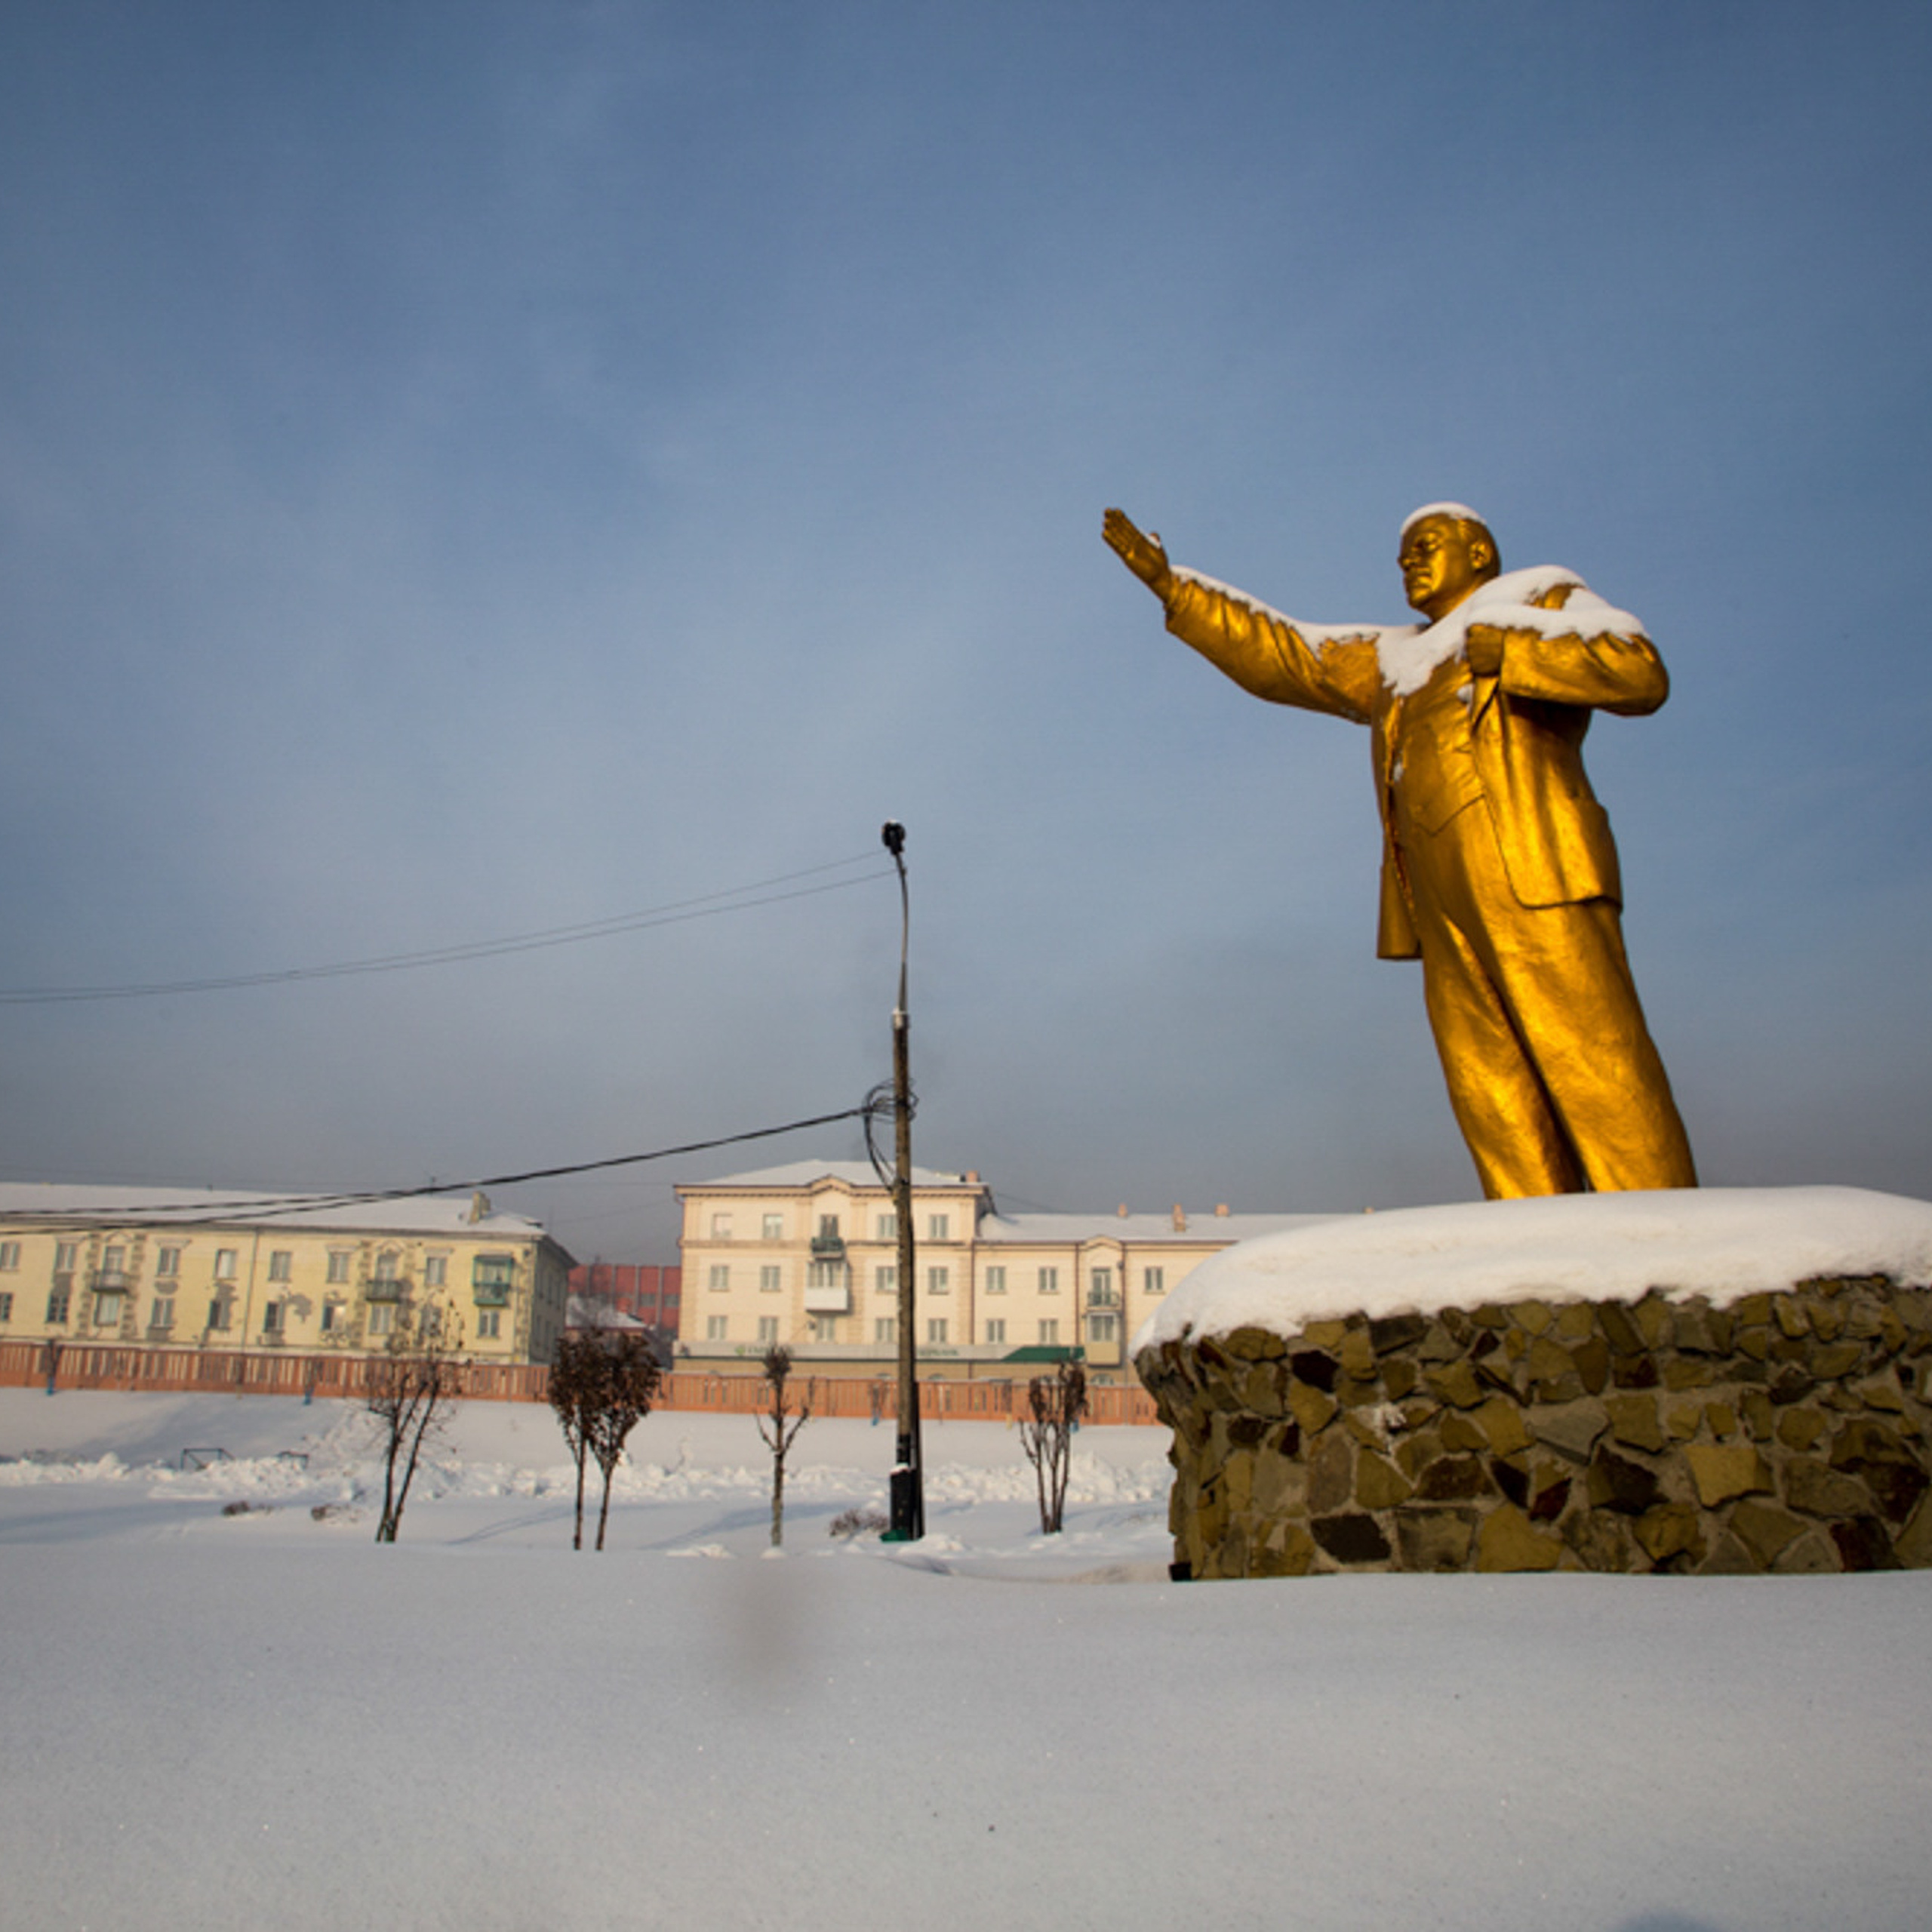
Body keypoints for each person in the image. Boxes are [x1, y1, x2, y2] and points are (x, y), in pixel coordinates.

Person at [1102, 500, 1697, 1198]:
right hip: (1436, 890)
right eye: (1403, 553)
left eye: (1427, 544)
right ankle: (1537, 1231)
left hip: (1531, 864)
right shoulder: (1395, 658)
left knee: (1591, 1052)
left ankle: (1660, 1223)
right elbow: (1289, 653)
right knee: (1489, 1081)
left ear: (1479, 553)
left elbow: (1638, 670)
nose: (1408, 560)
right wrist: (1175, 588)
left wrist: (1515, 651)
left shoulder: (1538, 595)